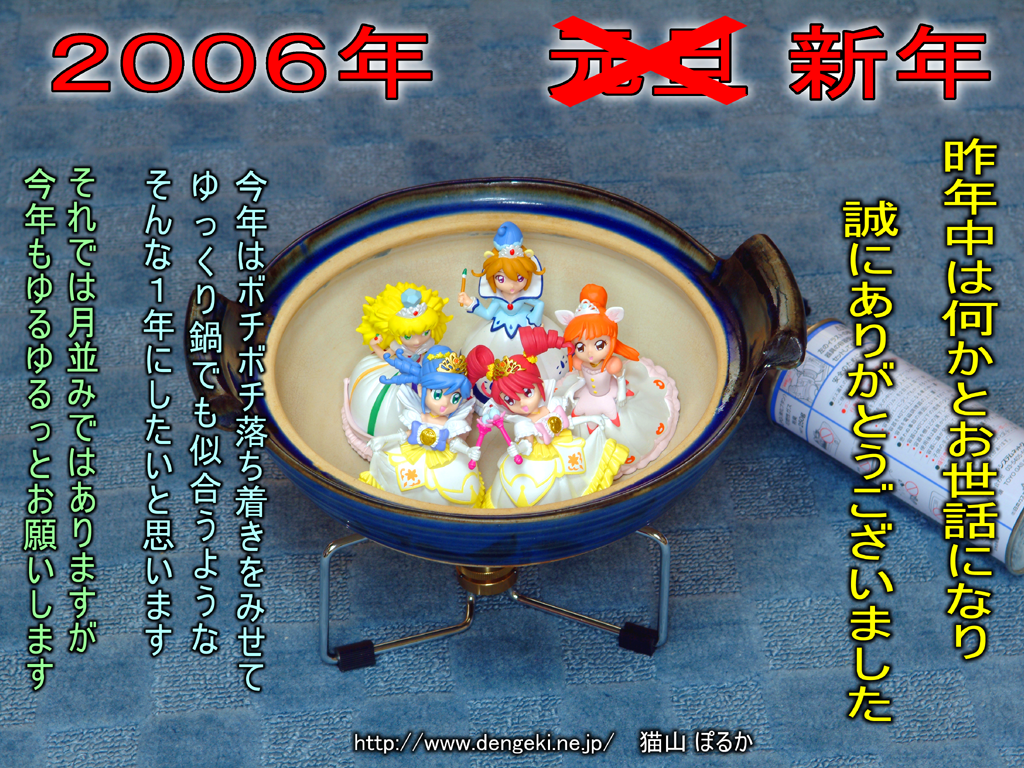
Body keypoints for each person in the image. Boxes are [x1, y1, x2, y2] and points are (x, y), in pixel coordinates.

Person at [466, 328, 628, 509]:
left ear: (538, 385)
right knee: (543, 484)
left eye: (527, 392)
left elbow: (567, 423)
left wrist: (590, 418)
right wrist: (520, 448)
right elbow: (526, 443)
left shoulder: (551, 405)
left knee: (575, 471)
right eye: (510, 400)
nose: (522, 403)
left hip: (561, 445)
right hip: (535, 460)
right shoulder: (523, 424)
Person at [554, 284, 680, 477]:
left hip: (610, 395)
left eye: (598, 344)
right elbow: (581, 380)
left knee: (621, 426)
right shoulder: (580, 363)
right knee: (580, 423)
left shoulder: (612, 364)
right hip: (588, 397)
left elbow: (620, 379)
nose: (589, 353)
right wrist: (572, 390)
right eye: (580, 346)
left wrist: (621, 393)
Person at [359, 346, 485, 507]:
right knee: (393, 468)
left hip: (443, 457)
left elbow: (453, 442)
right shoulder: (418, 416)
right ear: (420, 390)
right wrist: (384, 439)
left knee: (453, 484)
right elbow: (406, 434)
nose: (445, 404)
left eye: (455, 398)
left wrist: (468, 451)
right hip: (412, 452)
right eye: (437, 394)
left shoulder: (450, 424)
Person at [341, 283, 452, 459]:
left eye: (425, 332)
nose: (417, 341)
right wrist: (374, 345)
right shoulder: (396, 347)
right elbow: (386, 356)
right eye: (408, 336)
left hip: (426, 372)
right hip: (399, 374)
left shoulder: (429, 346)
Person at [457, 221, 568, 382]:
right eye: (501, 278)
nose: (511, 286)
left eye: (519, 278)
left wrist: (535, 322)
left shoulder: (525, 299)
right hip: (498, 328)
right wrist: (470, 302)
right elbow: (487, 314)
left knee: (537, 362)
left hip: (526, 328)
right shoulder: (498, 300)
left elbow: (539, 304)